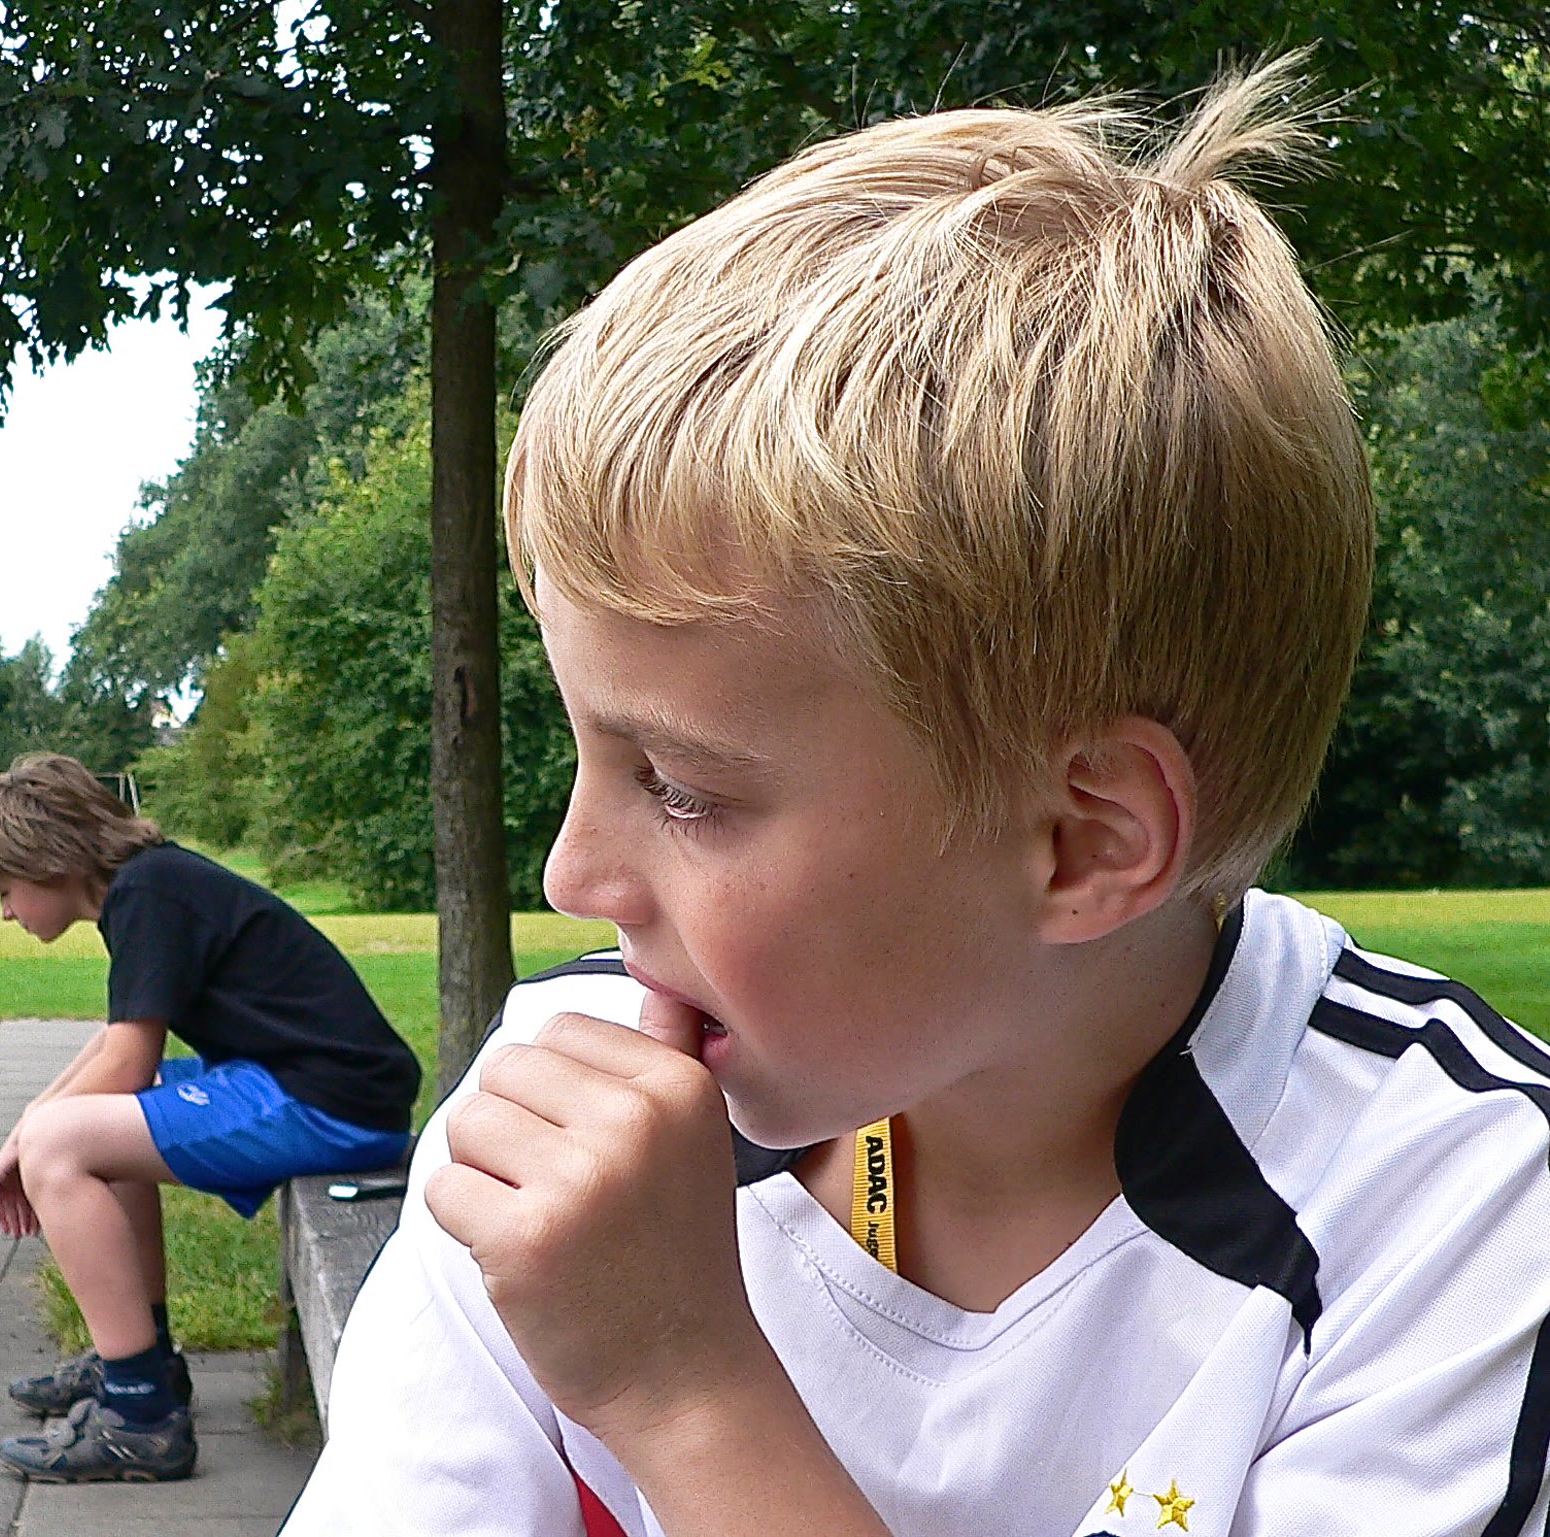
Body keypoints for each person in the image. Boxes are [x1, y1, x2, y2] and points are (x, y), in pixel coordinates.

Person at [281, 58, 1550, 1537]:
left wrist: (682, 1389)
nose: (572, 874)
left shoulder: (1452, 1216)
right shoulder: (564, 1114)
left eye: (681, 787)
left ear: (1083, 841)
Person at [0, 752, 420, 1483]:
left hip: (330, 1102)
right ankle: (144, 1358)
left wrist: (30, 1142)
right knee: (80, 1127)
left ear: (46, 861)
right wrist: (28, 1119)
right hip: (316, 1086)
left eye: (4, 890)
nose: (6, 912)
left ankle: (140, 1414)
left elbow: (126, 1063)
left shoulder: (148, 892)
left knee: (62, 1145)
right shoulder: (146, 885)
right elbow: (114, 1045)